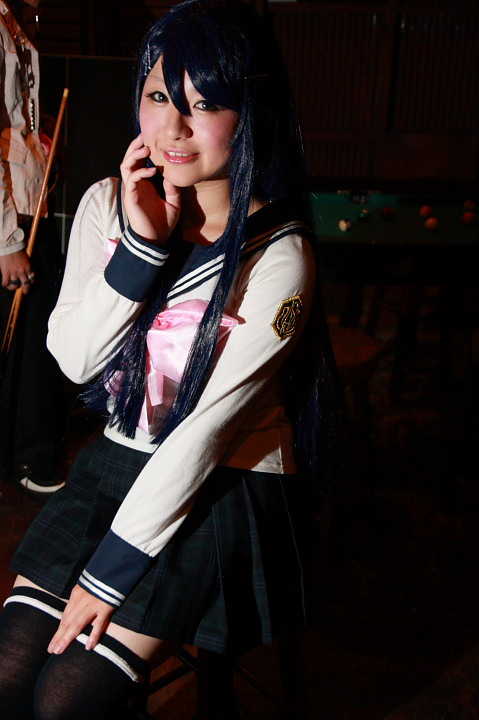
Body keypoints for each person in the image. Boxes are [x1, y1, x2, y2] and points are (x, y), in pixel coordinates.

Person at [0, 0, 341, 717]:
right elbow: (75, 361)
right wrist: (141, 250)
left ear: (251, 112)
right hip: (115, 460)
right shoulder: (107, 201)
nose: (174, 127)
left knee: (63, 699)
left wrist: (110, 574)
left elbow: (203, 433)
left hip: (223, 479)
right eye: (159, 97)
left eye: (205, 103)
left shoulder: (281, 256)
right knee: (7, 674)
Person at [0, 0, 67, 499]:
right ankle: (26, 457)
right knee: (18, 348)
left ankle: (26, 457)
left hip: (27, 207)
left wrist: (40, 149)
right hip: (9, 223)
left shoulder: (16, 24)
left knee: (35, 344)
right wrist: (6, 240)